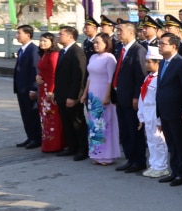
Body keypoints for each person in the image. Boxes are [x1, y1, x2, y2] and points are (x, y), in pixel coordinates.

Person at [155, 33, 182, 186]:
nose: (160, 46)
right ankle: (174, 170)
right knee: (171, 142)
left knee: (180, 143)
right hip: (165, 110)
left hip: (177, 111)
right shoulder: (163, 62)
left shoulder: (181, 63)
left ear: (174, 46)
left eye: (163, 44)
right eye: (159, 43)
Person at [112, 21, 148, 174]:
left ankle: (138, 161)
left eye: (120, 30)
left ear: (131, 33)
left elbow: (140, 75)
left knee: (134, 131)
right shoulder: (121, 49)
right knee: (125, 130)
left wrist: (136, 97)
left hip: (131, 98)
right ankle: (129, 158)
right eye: (117, 31)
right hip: (121, 96)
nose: (118, 33)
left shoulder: (138, 50)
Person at [84, 33, 121, 166]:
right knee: (94, 125)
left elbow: (111, 79)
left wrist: (107, 96)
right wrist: (84, 93)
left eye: (98, 42)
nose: (95, 45)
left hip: (103, 94)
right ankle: (96, 153)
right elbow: (89, 77)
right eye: (94, 42)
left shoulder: (110, 58)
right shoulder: (93, 57)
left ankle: (107, 155)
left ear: (106, 44)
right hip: (93, 95)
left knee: (105, 125)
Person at [54, 26, 89, 161]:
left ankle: (82, 149)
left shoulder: (77, 52)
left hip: (71, 95)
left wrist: (74, 96)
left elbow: (79, 77)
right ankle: (71, 146)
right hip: (62, 94)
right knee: (67, 122)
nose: (58, 36)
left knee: (77, 122)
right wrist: (57, 94)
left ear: (70, 36)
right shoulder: (63, 51)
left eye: (61, 34)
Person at [137, 45, 169, 179]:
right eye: (146, 62)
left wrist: (160, 118)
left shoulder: (159, 79)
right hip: (147, 111)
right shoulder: (148, 77)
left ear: (158, 63)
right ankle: (154, 165)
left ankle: (161, 167)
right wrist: (141, 116)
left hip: (156, 112)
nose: (146, 64)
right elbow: (142, 97)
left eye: (149, 62)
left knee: (159, 140)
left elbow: (160, 100)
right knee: (150, 139)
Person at [13, 25, 42, 149]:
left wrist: (34, 88)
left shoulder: (33, 50)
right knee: (25, 114)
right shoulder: (22, 50)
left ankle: (36, 138)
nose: (17, 35)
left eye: (19, 33)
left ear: (28, 35)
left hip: (29, 89)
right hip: (21, 88)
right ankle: (30, 137)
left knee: (32, 114)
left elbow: (36, 71)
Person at [35, 32, 64, 153]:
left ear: (52, 42)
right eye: (41, 41)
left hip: (49, 90)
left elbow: (53, 75)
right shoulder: (44, 54)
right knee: (45, 117)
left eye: (45, 41)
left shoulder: (54, 54)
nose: (42, 43)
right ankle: (47, 143)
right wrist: (37, 77)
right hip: (43, 89)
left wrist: (51, 91)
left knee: (52, 117)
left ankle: (55, 144)